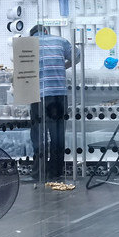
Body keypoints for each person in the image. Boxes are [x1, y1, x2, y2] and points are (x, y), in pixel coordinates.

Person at [28, 25, 74, 183]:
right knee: (58, 134)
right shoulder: (61, 41)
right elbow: (77, 56)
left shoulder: (28, 43)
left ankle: (39, 172)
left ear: (32, 34)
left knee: (38, 134)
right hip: (59, 95)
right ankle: (55, 173)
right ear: (46, 31)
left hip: (38, 95)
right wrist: (64, 66)